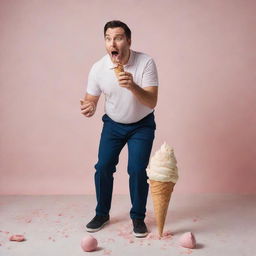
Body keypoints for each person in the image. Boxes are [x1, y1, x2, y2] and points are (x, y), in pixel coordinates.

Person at [80, 20, 158, 238]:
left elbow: (152, 101)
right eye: (108, 38)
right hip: (113, 125)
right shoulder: (98, 68)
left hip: (141, 126)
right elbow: (91, 98)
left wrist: (132, 85)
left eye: (118, 37)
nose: (112, 42)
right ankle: (102, 213)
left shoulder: (146, 63)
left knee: (136, 170)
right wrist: (90, 106)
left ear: (129, 41)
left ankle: (138, 218)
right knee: (103, 167)